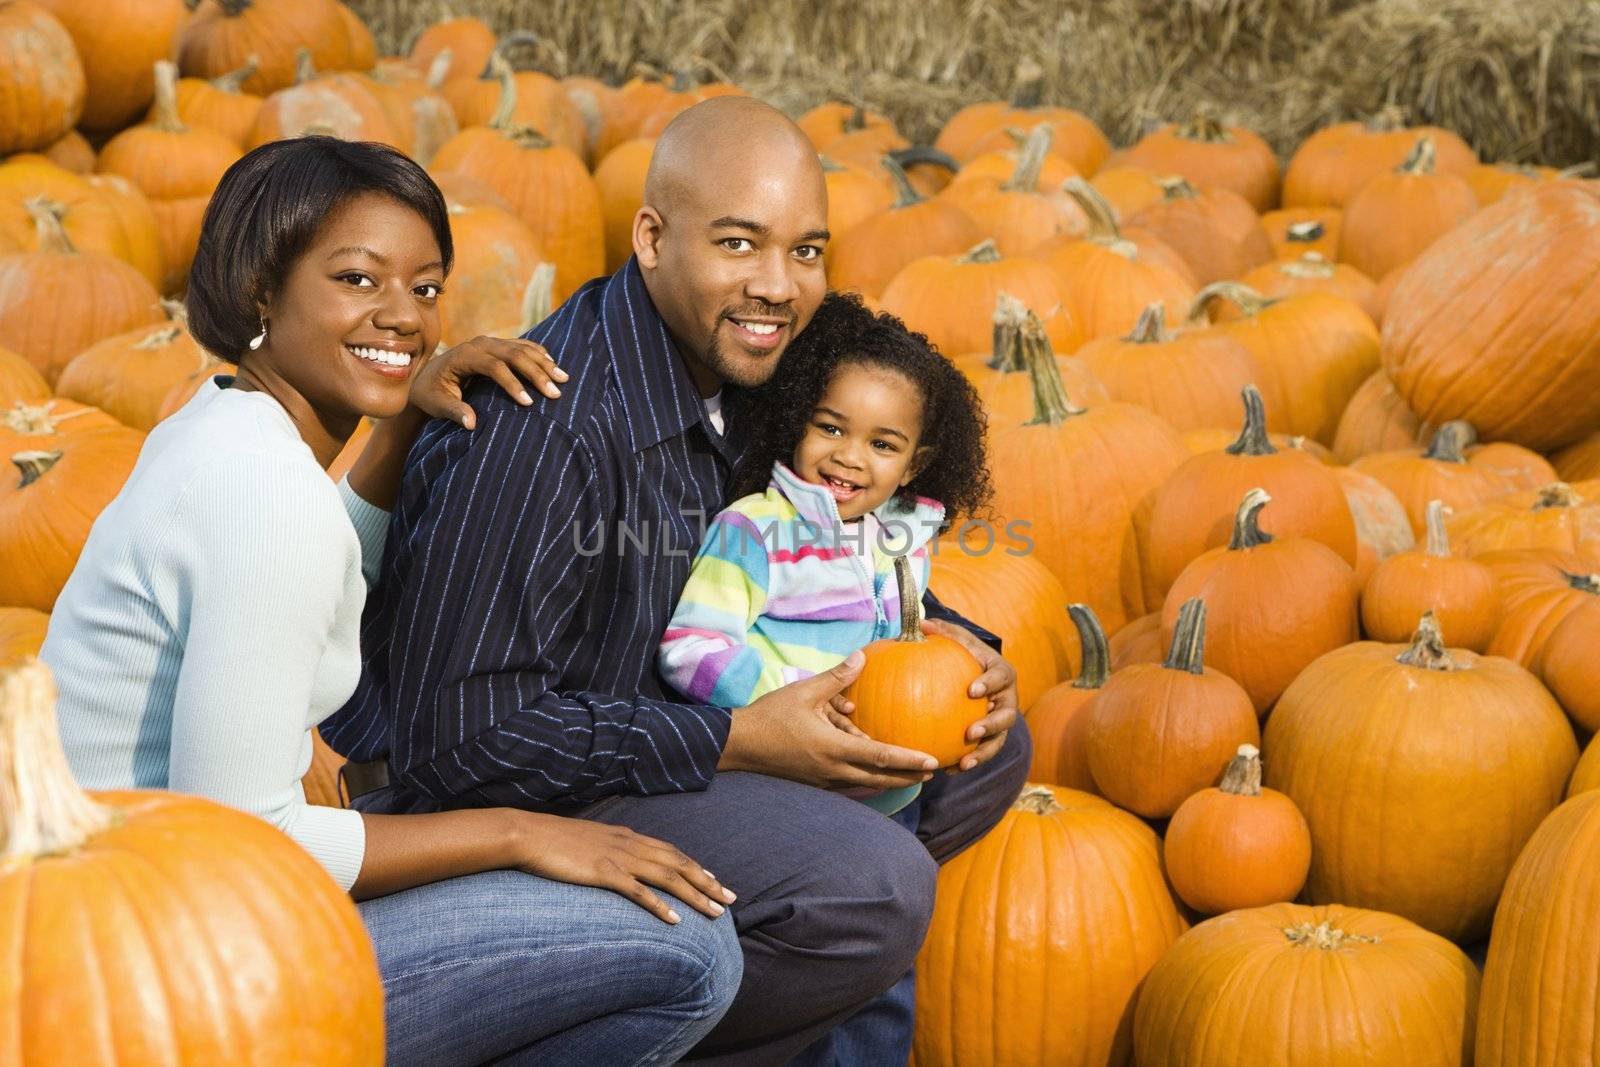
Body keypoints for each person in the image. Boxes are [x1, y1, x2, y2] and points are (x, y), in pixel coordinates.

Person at [324, 99, 1031, 1065]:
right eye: (739, 243)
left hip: (659, 728)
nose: (778, 285)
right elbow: (462, 742)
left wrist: (950, 646)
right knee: (870, 884)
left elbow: (813, 539)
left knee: (979, 750)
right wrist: (741, 741)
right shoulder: (545, 430)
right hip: (512, 807)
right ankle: (617, 1011)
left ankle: (814, 989)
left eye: (807, 250)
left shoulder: (756, 377)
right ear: (652, 237)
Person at [45, 136, 742, 1067]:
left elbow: (315, 575)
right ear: (260, 289)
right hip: (162, 982)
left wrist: (398, 423)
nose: (404, 318)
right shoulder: (265, 496)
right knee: (689, 949)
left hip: (106, 923)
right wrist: (521, 832)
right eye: (357, 279)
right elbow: (252, 838)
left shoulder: (218, 428)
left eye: (424, 287)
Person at [658, 290, 994, 821]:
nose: (849, 456)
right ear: (799, 422)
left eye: (883, 445)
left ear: (912, 465)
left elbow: (903, 650)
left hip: (889, 786)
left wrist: (957, 690)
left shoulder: (905, 538)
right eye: (831, 428)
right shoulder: (754, 530)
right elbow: (691, 650)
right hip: (787, 784)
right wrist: (801, 699)